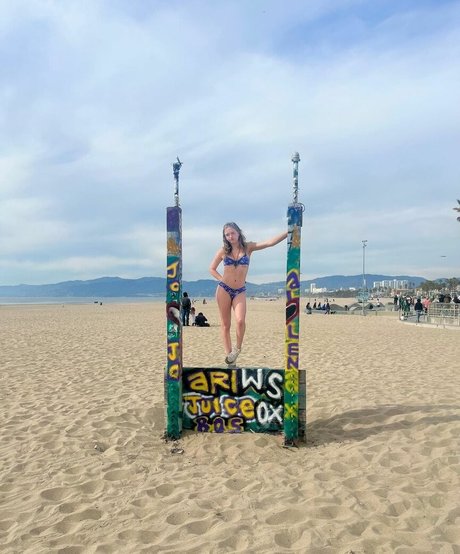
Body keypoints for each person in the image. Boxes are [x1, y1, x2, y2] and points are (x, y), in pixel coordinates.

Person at [209, 222, 287, 365]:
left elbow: (269, 243)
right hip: (224, 290)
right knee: (225, 325)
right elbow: (212, 269)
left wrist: (288, 232)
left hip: (240, 291)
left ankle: (237, 349)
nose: (230, 236)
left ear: (238, 232)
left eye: (232, 233)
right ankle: (230, 358)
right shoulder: (223, 251)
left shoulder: (248, 247)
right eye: (227, 235)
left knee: (240, 321)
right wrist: (222, 280)